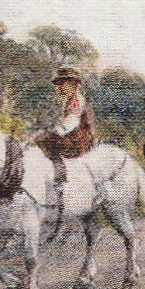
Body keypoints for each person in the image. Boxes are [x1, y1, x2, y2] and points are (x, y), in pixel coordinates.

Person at [34, 66, 95, 205]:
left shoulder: (76, 100)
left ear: (74, 84)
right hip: (71, 137)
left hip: (79, 140)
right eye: (59, 85)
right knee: (42, 142)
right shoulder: (70, 100)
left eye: (64, 84)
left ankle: (59, 182)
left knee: (49, 145)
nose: (60, 88)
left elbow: (70, 123)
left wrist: (51, 134)